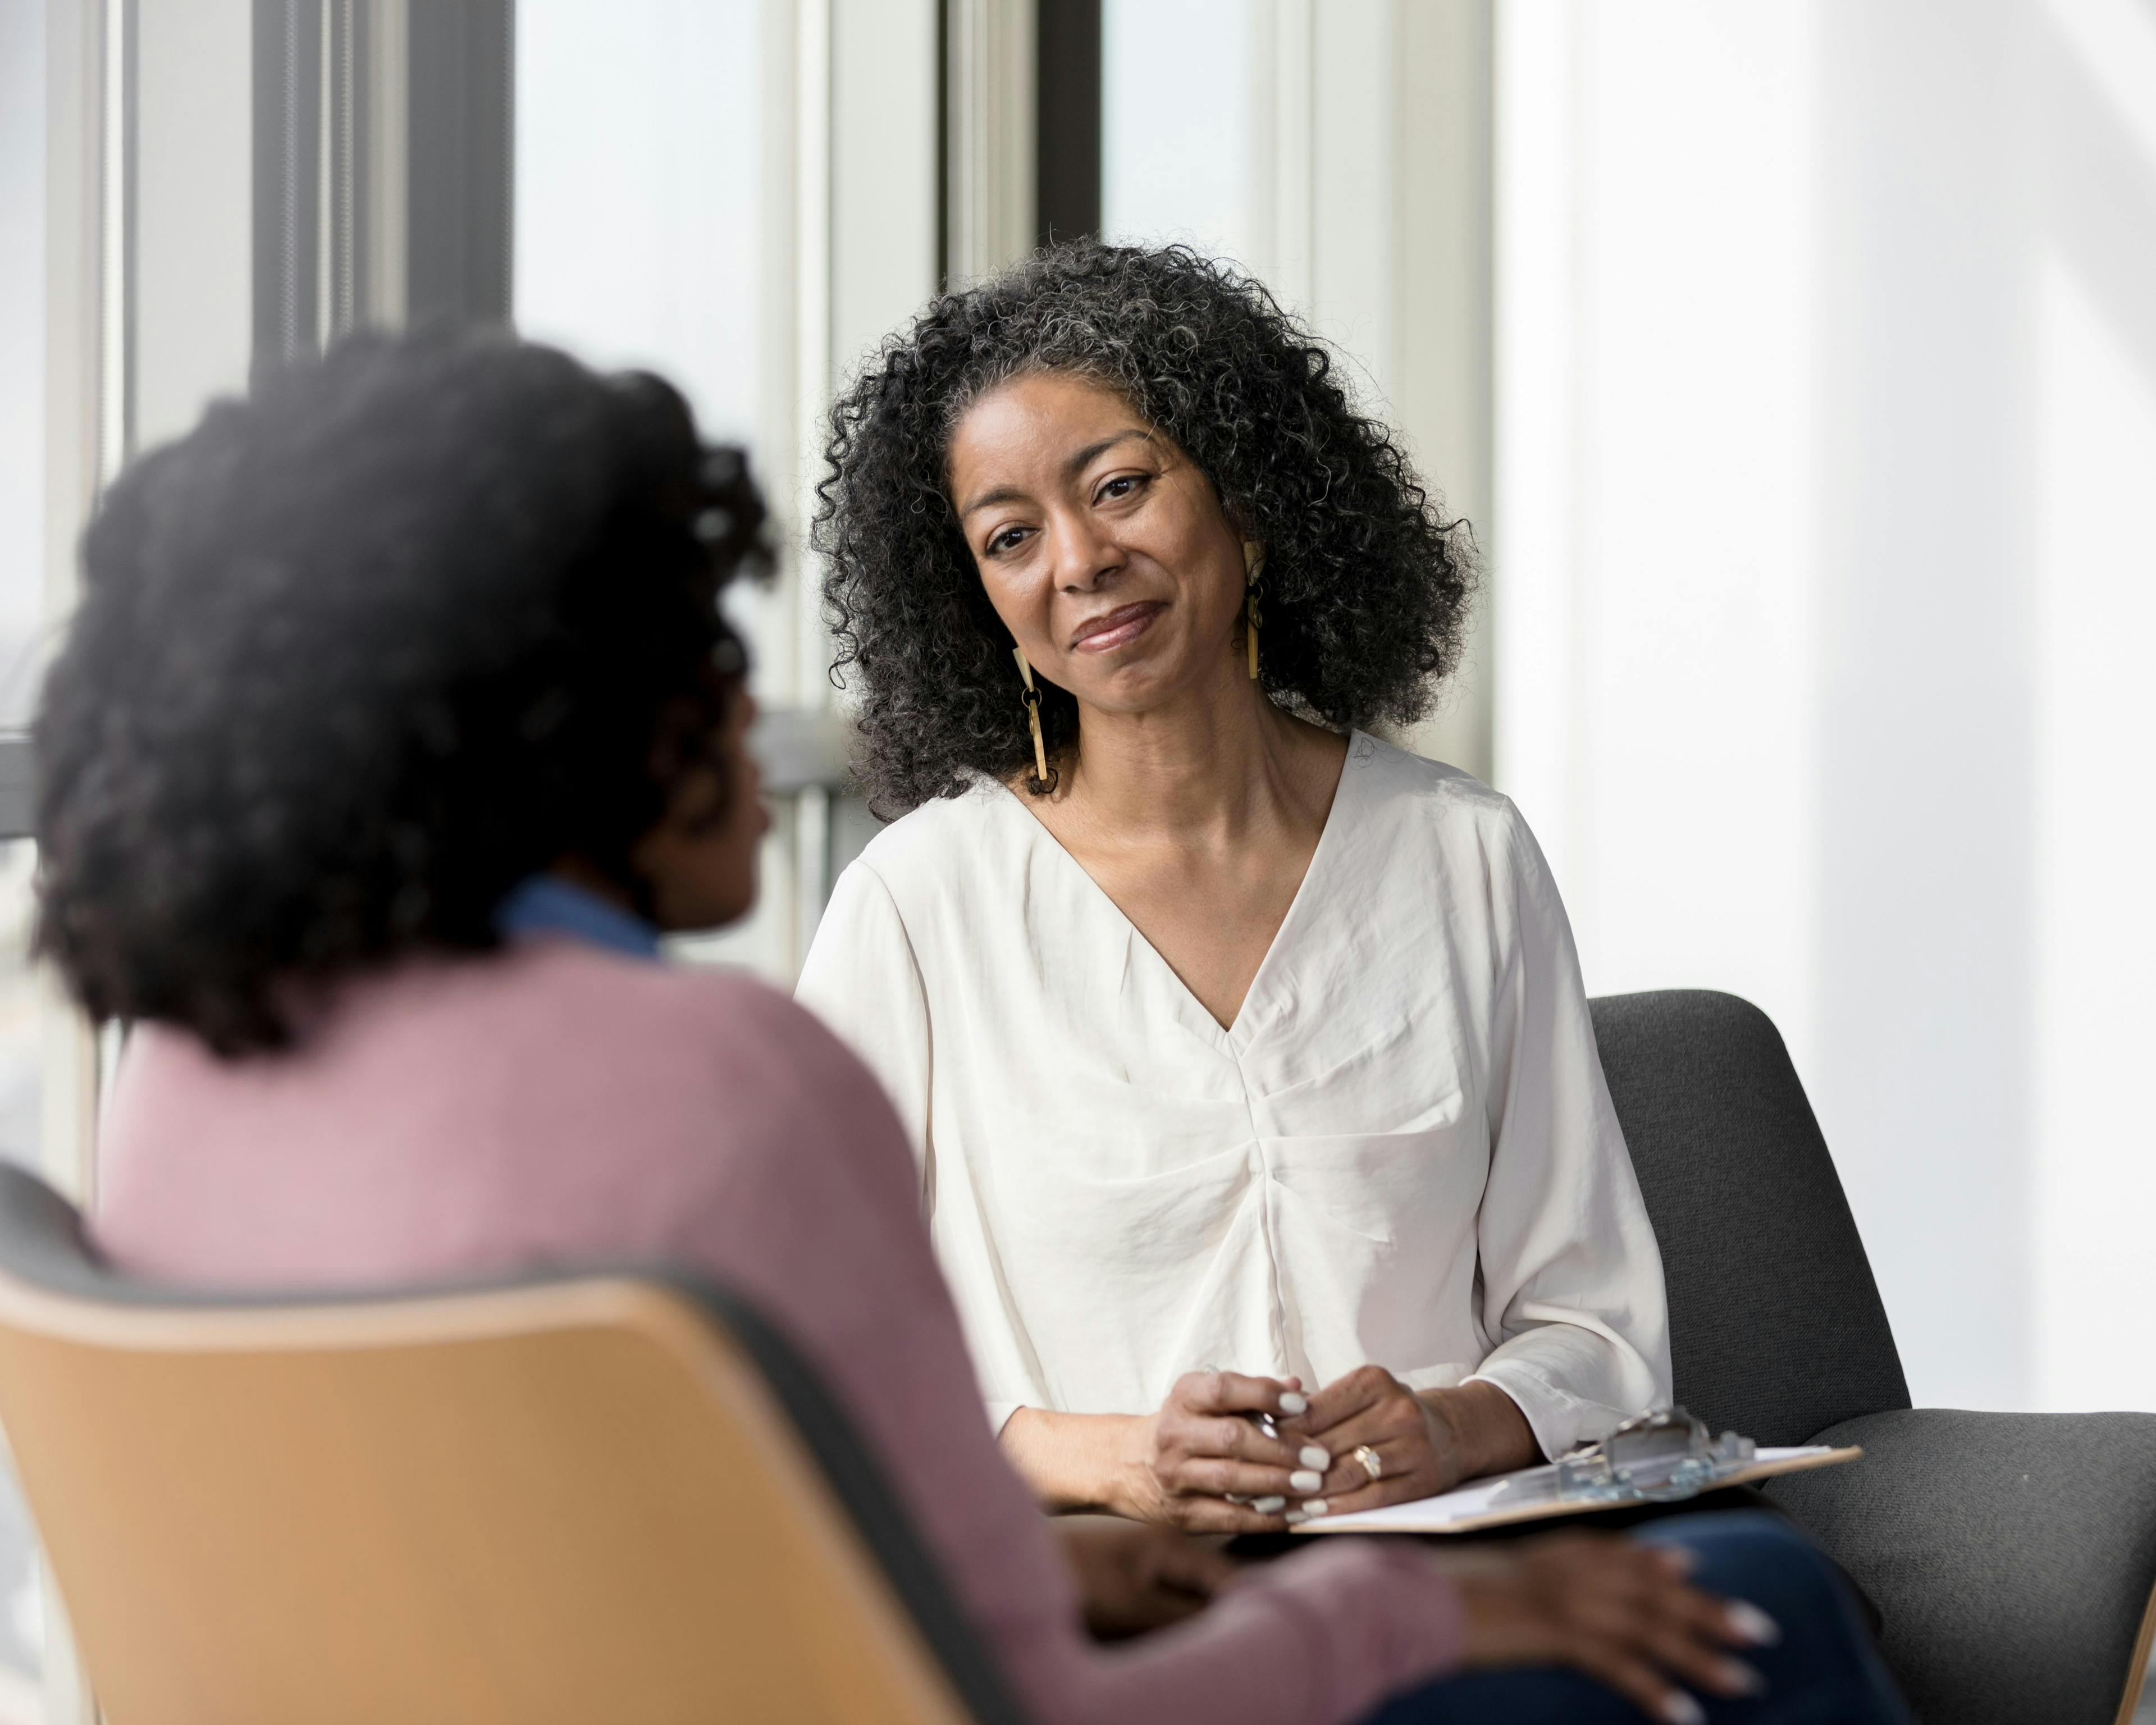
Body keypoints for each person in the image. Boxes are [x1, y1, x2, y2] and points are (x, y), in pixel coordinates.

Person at [36, 328, 1907, 1725]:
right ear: (548, 713)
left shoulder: (190, 1083)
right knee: (1758, 1605)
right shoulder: (731, 1081)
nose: (761, 720)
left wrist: (1105, 1550)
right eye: (699, 651)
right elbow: (1000, 1689)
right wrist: (1428, 1618)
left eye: (1118, 489)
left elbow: (767, 1532)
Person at [799, 242, 1662, 1534]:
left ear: (1249, 505)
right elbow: (810, 1358)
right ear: (975, 597)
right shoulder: (917, 911)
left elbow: (1594, 1326)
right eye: (1011, 536)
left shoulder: (1465, 859)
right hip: (1113, 1597)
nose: (1081, 560)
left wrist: (1451, 1425)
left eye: (1124, 486)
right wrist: (1108, 1459)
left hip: (1451, 1565)